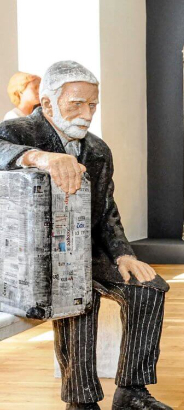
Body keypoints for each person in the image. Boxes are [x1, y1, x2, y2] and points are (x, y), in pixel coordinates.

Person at [0, 61, 171, 410]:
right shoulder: (18, 131)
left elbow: (106, 210)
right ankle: (81, 402)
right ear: (47, 103)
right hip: (30, 258)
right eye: (76, 104)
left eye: (92, 104)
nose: (87, 114)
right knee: (77, 295)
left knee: (149, 289)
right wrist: (39, 158)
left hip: (83, 249)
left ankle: (132, 392)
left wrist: (123, 254)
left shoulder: (97, 150)